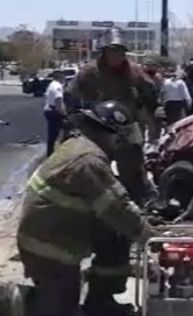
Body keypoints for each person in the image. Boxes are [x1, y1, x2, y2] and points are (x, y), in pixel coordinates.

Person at [0, 101, 161, 316]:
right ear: (113, 136)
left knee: (117, 234)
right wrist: (154, 240)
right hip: (48, 247)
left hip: (59, 232)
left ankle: (101, 300)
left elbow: (118, 208)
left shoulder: (82, 147)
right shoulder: (89, 162)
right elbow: (117, 208)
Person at [64, 30, 160, 205]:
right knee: (94, 168)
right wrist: (74, 120)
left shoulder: (134, 71)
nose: (117, 56)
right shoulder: (90, 71)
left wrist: (151, 113)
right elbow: (70, 94)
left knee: (133, 170)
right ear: (104, 52)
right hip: (98, 128)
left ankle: (136, 204)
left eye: (121, 52)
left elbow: (151, 92)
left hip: (127, 127)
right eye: (113, 51)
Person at [43, 73, 66, 157]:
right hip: (54, 112)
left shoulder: (51, 85)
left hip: (49, 110)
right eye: (64, 78)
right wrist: (63, 112)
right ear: (60, 78)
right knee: (56, 132)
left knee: (53, 133)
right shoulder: (57, 86)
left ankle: (50, 152)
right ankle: (51, 153)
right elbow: (58, 100)